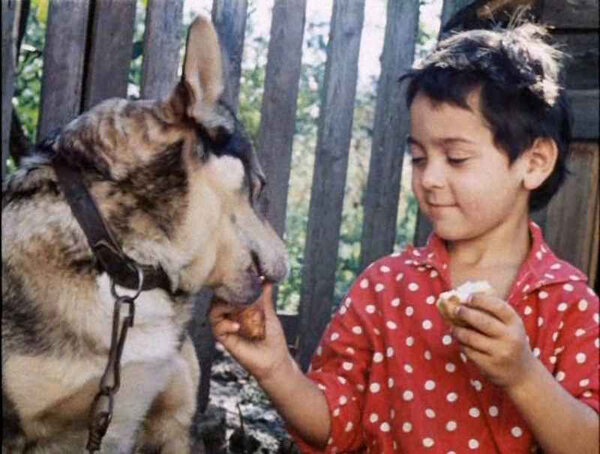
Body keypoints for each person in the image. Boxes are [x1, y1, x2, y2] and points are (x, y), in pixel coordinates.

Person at [209, 23, 599, 453]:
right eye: (418, 157)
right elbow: (335, 426)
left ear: (535, 162)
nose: (429, 178)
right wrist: (277, 369)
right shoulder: (384, 289)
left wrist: (524, 376)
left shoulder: (568, 305)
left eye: (456, 158)